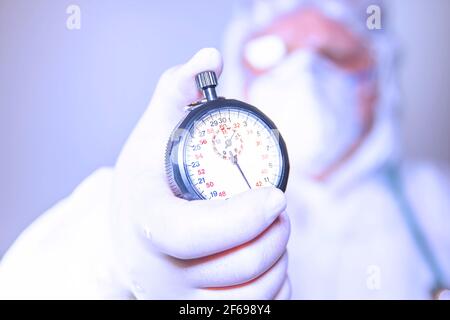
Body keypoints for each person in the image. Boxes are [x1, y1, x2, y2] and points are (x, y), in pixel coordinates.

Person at [0, 0, 449, 299]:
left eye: (336, 52)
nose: (306, 73)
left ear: (380, 75)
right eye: (275, 52)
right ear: (240, 68)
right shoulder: (174, 201)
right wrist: (116, 254)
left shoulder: (436, 206)